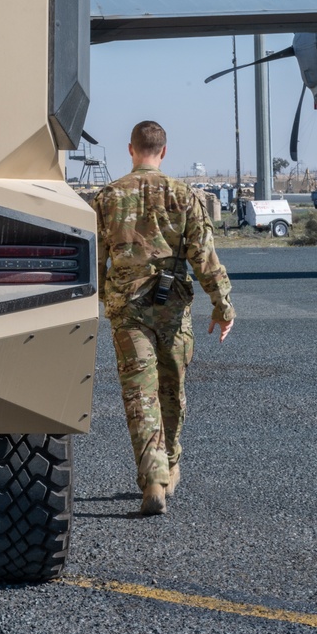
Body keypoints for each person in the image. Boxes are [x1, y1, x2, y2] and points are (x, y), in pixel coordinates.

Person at [94, 120, 234, 516]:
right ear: (164, 151)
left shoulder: (107, 197)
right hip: (173, 310)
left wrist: (102, 299)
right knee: (172, 390)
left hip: (128, 313)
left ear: (131, 149)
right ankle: (170, 466)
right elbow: (204, 258)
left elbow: (93, 260)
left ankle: (152, 479)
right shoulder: (184, 194)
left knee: (140, 394)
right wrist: (222, 306)